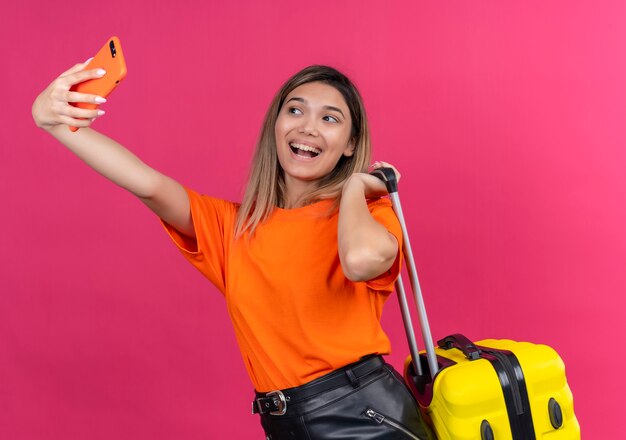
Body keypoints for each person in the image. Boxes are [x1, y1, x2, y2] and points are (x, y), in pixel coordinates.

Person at [32, 60, 434, 439]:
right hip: (285, 422)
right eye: (296, 111)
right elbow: (148, 184)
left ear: (350, 144)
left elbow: (360, 260)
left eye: (330, 118)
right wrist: (53, 123)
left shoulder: (371, 215)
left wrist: (354, 188)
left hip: (366, 418)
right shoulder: (235, 228)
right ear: (275, 125)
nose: (309, 127)